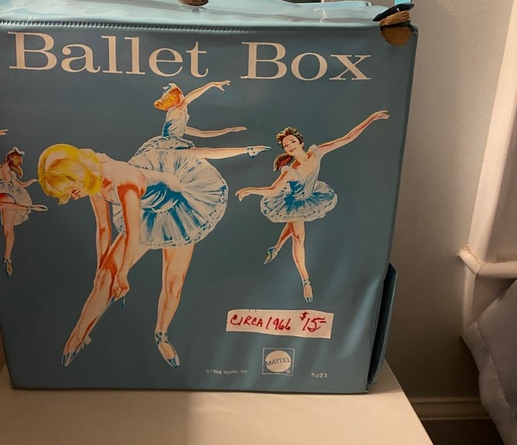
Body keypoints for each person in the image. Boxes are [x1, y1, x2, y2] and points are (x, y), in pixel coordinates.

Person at [39, 81, 268, 368]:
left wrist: (123, 273)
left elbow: (134, 230)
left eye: (71, 189)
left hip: (182, 209)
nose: (72, 196)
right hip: (148, 209)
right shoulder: (92, 181)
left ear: (77, 175)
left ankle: (161, 336)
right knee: (104, 277)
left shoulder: (123, 180)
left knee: (173, 283)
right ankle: (77, 337)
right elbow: (103, 228)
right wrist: (104, 270)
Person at [236, 110, 390, 303]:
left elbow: (347, 138)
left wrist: (371, 118)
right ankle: (306, 281)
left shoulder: (317, 153)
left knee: (294, 231)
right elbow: (273, 190)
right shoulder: (290, 171)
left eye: (292, 142)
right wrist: (250, 190)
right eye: (286, 145)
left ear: (301, 142)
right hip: (293, 202)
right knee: (299, 239)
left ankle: (275, 248)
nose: (289, 146)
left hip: (312, 196)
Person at [0, 129, 47, 277]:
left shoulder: (11, 175)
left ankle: (7, 258)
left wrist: (32, 182)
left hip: (7, 201)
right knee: (4, 200)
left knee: (9, 231)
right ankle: (28, 207)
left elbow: (21, 185)